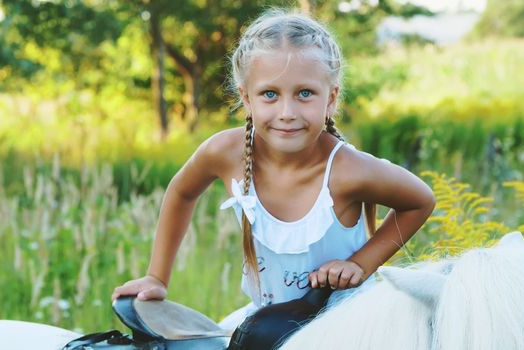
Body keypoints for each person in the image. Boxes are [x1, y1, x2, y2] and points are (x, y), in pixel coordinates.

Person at [111, 9, 436, 331]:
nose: (287, 112)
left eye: (305, 93)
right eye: (270, 94)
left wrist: (359, 265)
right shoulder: (225, 152)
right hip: (267, 322)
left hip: (347, 326)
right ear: (246, 98)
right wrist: (157, 276)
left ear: (331, 98)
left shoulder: (349, 170)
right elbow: (182, 192)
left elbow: (420, 201)